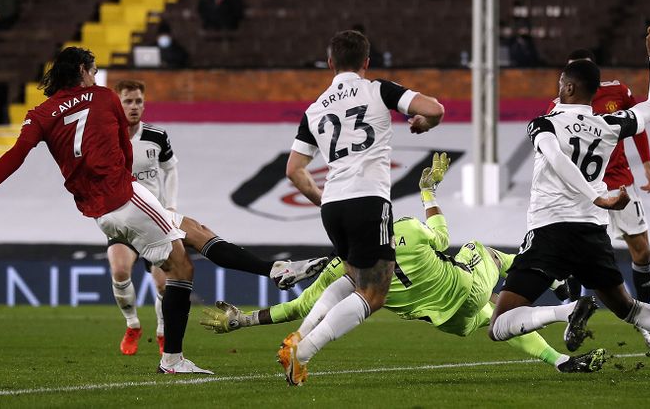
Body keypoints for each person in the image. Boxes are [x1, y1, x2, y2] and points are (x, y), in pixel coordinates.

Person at [0, 48, 326, 374]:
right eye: (93, 70)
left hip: (100, 213)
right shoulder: (102, 96)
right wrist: (127, 182)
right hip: (126, 196)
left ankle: (273, 273)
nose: (95, 76)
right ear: (82, 71)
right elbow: (124, 148)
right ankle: (184, 349)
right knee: (184, 260)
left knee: (191, 235)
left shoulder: (41, 114)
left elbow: (15, 155)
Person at [201, 153, 608, 374]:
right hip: (463, 287)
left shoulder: (345, 264)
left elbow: (299, 307)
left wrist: (245, 320)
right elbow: (443, 238)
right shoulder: (409, 228)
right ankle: (557, 285)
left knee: (498, 322)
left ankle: (561, 356)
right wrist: (429, 193)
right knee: (484, 252)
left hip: (448, 321)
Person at [488, 24, 650, 381]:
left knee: (499, 324)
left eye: (560, 82)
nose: (557, 87)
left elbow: (557, 159)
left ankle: (568, 310)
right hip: (591, 233)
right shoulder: (609, 125)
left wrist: (597, 196)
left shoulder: (544, 124)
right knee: (629, 307)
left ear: (569, 88)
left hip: (550, 231)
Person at [109, 78, 329, 356]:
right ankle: (134, 326)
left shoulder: (155, 136)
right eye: (128, 101)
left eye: (138, 101)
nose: (134, 106)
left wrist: (170, 204)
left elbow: (170, 168)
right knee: (129, 268)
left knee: (174, 273)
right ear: (117, 104)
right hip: (125, 217)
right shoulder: (107, 138)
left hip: (153, 214)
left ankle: (167, 341)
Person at [279, 29, 445, 386]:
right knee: (374, 292)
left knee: (352, 278)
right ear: (366, 62)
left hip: (333, 205)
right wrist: (424, 122)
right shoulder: (378, 90)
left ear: (330, 63)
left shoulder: (315, 108)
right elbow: (434, 109)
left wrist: (323, 200)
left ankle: (299, 335)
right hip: (368, 199)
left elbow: (294, 169)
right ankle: (303, 352)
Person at [548, 48, 650, 351]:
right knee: (574, 256)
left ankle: (645, 322)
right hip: (585, 191)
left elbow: (639, 124)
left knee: (642, 252)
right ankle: (573, 316)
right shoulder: (558, 106)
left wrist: (647, 163)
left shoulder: (617, 91)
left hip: (620, 183)